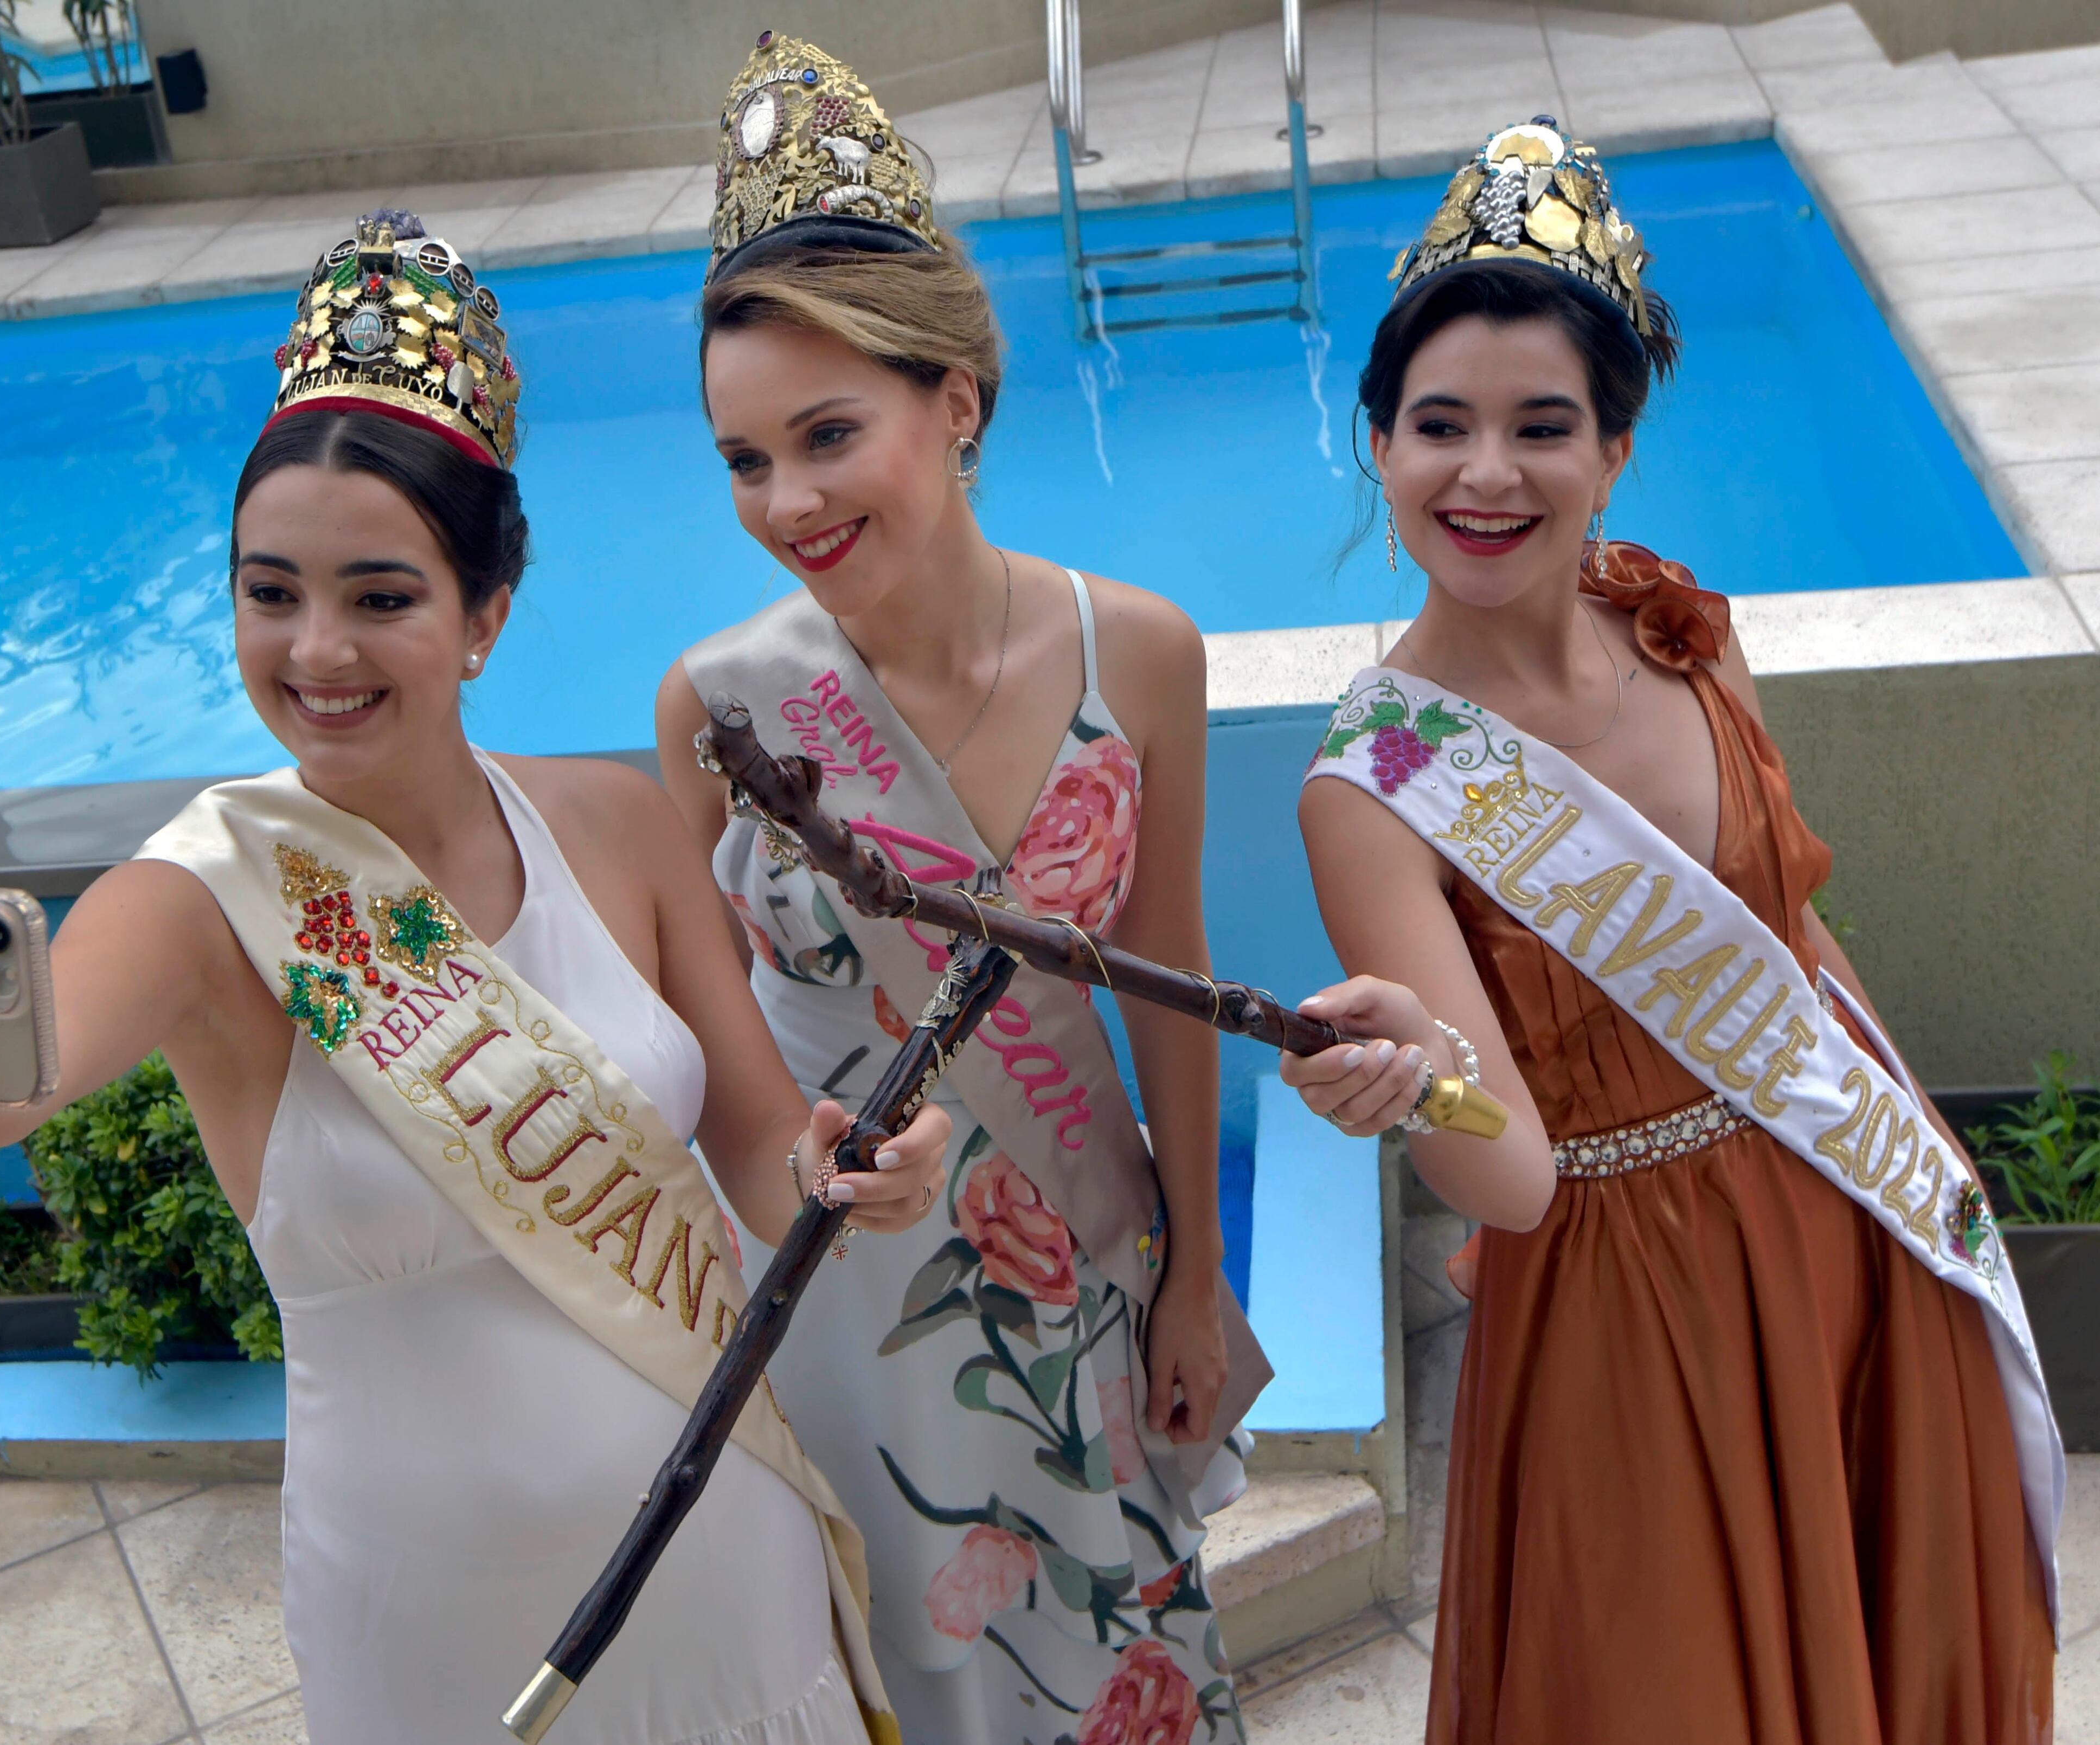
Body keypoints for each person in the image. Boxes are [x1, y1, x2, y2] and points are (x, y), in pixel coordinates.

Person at [0, 211, 959, 1745]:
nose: (316, 650)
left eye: (380, 596)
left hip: (723, 1560)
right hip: (443, 1631)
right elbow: (10, 1074)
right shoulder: (209, 896)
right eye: (271, 592)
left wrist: (849, 1167)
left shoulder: (612, 821)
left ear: (484, 618)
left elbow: (758, 1143)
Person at [1277, 120, 2060, 1744]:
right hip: (1635, 1313)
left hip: (1843, 1214)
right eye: (1440, 425)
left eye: (1541, 426)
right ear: (1378, 440)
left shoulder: (1682, 633)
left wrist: (1919, 1148)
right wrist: (1421, 1083)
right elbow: (1515, 1179)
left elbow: (1788, 935)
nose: (1485, 474)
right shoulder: (1378, 783)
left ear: (1614, 449)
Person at [655, 34, 1268, 1743]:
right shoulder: (715, 706)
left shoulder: (1132, 652)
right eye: (743, 456)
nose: (785, 502)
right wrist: (811, 1145)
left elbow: (1175, 973)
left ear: (960, 401)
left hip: (1091, 1258)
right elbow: (727, 1044)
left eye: (829, 433)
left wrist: (1200, 1279)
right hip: (855, 1291)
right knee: (908, 1670)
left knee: (1120, 1651)